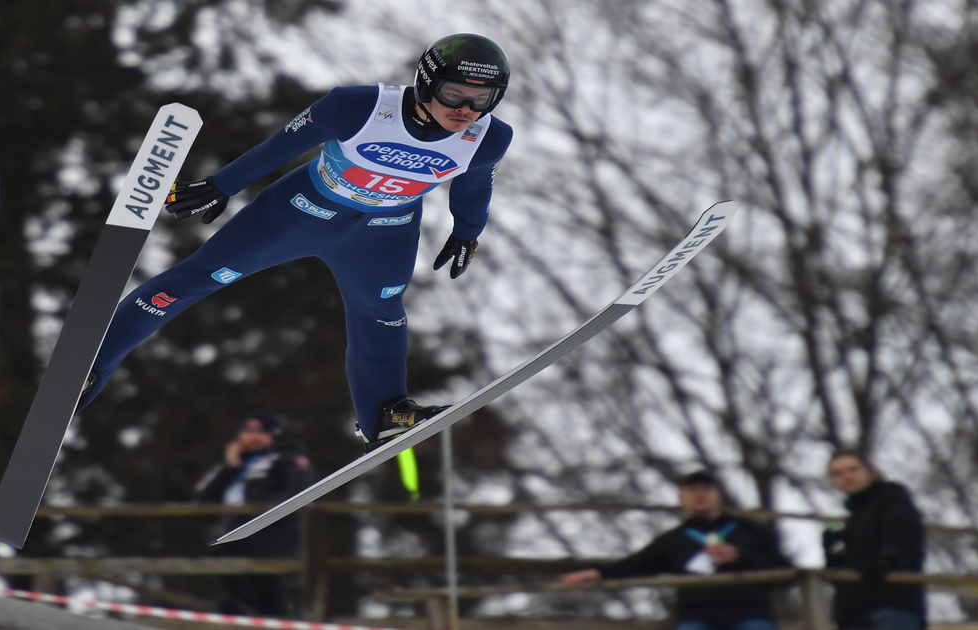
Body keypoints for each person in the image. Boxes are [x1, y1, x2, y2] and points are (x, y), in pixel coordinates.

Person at [77, 34, 513, 453]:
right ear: (426, 82)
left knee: (381, 313)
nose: (467, 109)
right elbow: (279, 146)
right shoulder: (357, 106)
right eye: (455, 93)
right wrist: (221, 186)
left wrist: (468, 232)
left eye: (484, 98)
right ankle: (93, 363)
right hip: (303, 212)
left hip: (385, 231)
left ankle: (383, 415)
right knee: (202, 275)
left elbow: (474, 188)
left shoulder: (489, 136)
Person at [560, 471, 791, 630]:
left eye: (707, 488)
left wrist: (741, 556)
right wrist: (598, 573)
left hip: (749, 615)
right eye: (692, 489)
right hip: (697, 617)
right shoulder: (673, 540)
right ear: (681, 498)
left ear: (718, 495)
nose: (700, 493)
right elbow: (636, 565)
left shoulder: (751, 531)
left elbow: (783, 574)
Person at [194, 413, 314, 617]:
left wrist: (264, 514)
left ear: (273, 435)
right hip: (236, 529)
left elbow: (298, 489)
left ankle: (261, 613)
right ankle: (251, 611)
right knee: (226, 558)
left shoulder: (287, 456)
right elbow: (204, 503)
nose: (253, 437)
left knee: (259, 575)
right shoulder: (231, 465)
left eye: (261, 432)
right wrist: (230, 468)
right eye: (247, 432)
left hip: (273, 530)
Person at [824, 451, 926, 629]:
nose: (847, 476)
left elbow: (903, 533)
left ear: (870, 472)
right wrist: (832, 547)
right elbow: (836, 569)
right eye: (838, 473)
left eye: (853, 469)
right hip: (853, 611)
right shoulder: (849, 521)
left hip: (892, 602)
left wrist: (887, 562)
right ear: (833, 481)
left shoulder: (892, 499)